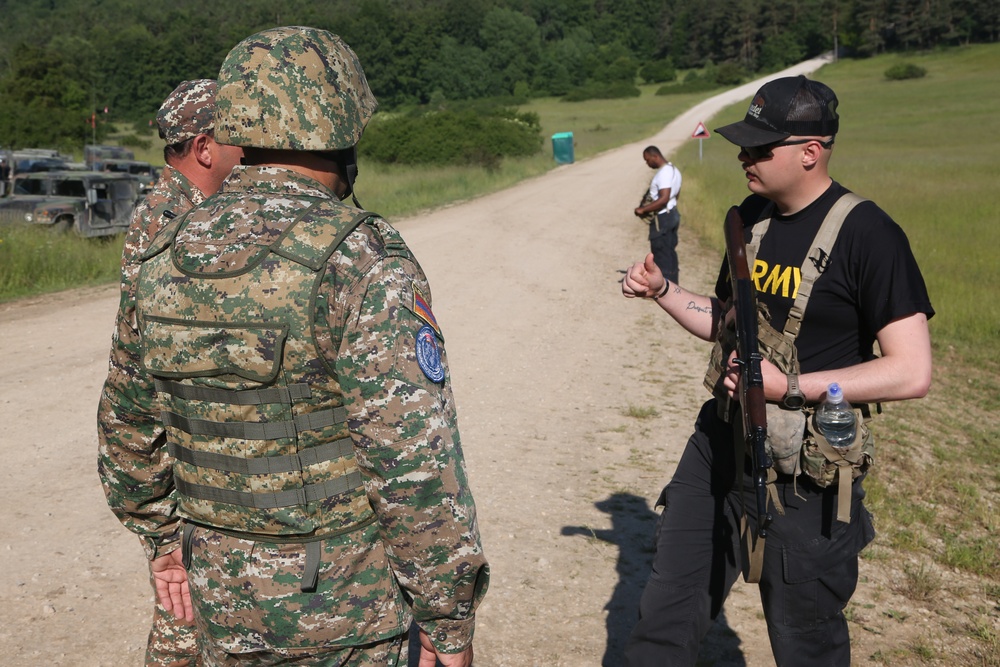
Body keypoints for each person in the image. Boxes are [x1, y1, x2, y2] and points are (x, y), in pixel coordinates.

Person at [97, 26, 489, 667]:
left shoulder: (165, 251)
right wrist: (448, 625)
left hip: (215, 605)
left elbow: (127, 427)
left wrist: (162, 540)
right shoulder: (360, 255)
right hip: (340, 618)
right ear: (345, 128)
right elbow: (414, 464)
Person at [620, 75, 933, 665]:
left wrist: (794, 388)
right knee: (663, 621)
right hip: (719, 448)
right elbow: (728, 322)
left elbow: (912, 370)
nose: (745, 156)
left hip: (805, 475)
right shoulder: (748, 220)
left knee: (805, 644)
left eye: (760, 148)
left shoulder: (870, 235)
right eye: (744, 144)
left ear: (810, 152)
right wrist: (663, 291)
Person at [99, 78, 243, 667]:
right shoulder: (177, 225)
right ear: (206, 147)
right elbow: (137, 387)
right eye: (241, 139)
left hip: (188, 478)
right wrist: (161, 528)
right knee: (189, 631)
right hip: (188, 484)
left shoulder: (180, 208)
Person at [633, 146, 682, 283]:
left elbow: (664, 198)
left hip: (662, 218)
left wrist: (643, 210)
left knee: (661, 254)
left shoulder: (664, 173)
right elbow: (675, 196)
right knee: (670, 251)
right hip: (672, 213)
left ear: (655, 156)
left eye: (647, 160)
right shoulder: (674, 170)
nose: (647, 163)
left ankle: (663, 289)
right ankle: (673, 284)